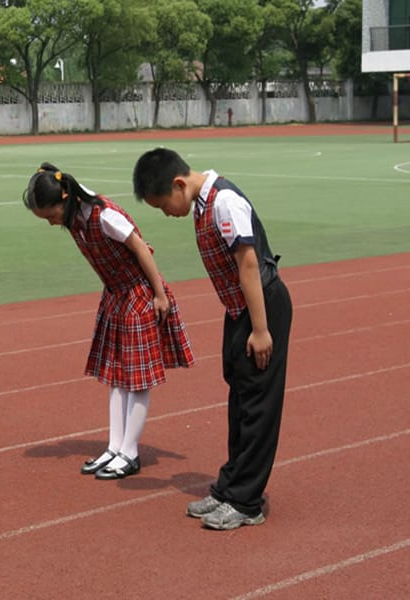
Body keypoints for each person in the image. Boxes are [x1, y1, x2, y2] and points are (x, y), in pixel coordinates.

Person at [132, 148, 292, 530]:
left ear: (178, 184)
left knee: (257, 405)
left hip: (260, 308)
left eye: (163, 205)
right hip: (239, 310)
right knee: (239, 398)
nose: (167, 214)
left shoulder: (225, 203)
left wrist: (259, 329)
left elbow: (248, 264)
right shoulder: (203, 206)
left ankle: (247, 501)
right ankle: (230, 487)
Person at [23, 163, 194, 480]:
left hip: (139, 294)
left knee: (138, 378)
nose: (51, 223)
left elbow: (141, 248)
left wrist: (160, 295)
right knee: (116, 376)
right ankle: (115, 448)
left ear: (64, 197)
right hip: (116, 295)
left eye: (50, 215)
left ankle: (130, 453)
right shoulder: (77, 211)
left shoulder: (105, 216)